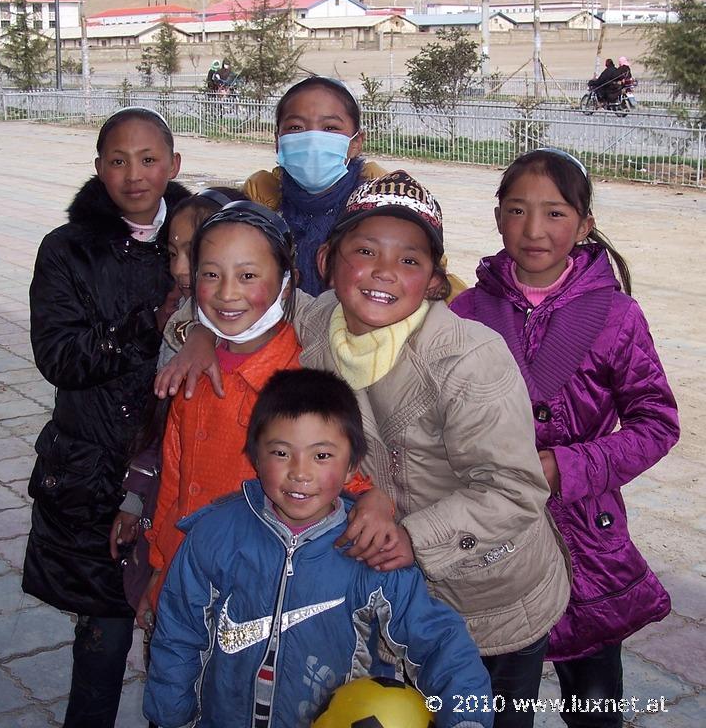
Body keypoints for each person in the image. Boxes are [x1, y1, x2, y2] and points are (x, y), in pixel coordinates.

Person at [293, 171, 571, 728]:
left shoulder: (468, 359)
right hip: (393, 595)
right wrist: (191, 333)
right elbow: (244, 302)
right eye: (365, 251)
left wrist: (412, 537)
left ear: (436, 283)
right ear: (327, 260)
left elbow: (515, 489)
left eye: (410, 261)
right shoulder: (321, 323)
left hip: (490, 601)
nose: (384, 272)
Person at [450, 148, 679, 728]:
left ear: (584, 224)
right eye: (518, 211)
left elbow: (656, 421)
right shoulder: (466, 312)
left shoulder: (616, 316)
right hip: (495, 543)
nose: (534, 230)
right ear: (498, 215)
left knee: (595, 701)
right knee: (500, 702)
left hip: (586, 539)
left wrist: (567, 467)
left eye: (554, 213)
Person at [143, 368, 494, 728]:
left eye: (322, 456)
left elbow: (439, 642)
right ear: (254, 456)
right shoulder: (215, 534)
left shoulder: (369, 549)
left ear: (351, 467)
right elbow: (179, 635)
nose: (300, 472)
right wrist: (171, 717)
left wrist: (467, 719)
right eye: (281, 452)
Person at [23, 106, 189, 728]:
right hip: (94, 475)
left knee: (183, 643)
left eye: (149, 160)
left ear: (174, 165)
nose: (135, 175)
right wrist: (150, 326)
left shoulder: (203, 240)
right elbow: (60, 356)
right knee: (103, 642)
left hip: (182, 470)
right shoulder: (67, 250)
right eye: (118, 161)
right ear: (98, 168)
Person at [142, 200, 382, 612]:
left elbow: (347, 475)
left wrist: (378, 500)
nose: (227, 293)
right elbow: (176, 484)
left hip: (268, 597)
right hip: (189, 582)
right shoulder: (194, 368)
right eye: (210, 275)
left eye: (248, 275)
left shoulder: (303, 378)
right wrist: (161, 567)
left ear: (286, 283)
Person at [108, 187, 245, 627]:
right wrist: (133, 499)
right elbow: (160, 431)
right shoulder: (178, 330)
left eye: (197, 252)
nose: (181, 269)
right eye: (174, 252)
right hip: (168, 513)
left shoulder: (263, 343)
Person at [244, 76, 387, 296]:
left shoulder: (381, 199)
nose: (312, 140)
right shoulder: (261, 198)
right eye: (295, 127)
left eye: (330, 128)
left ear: (356, 143)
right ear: (277, 141)